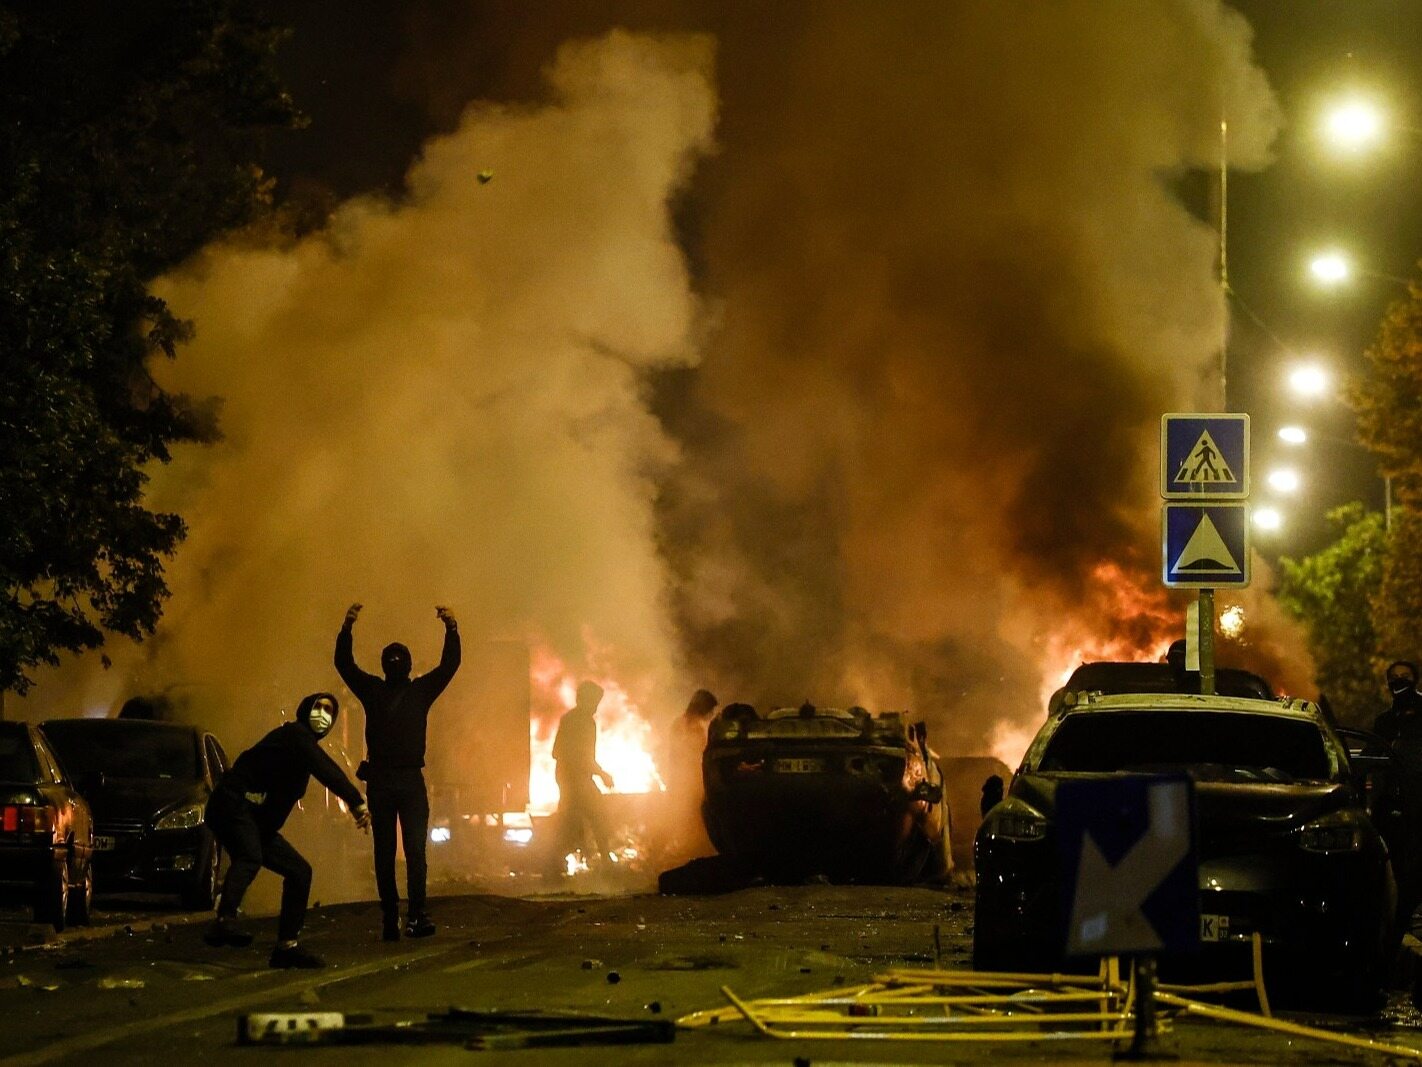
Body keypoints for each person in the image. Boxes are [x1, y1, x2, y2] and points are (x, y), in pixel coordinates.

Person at [203, 692, 369, 969]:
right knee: (250, 856)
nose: (323, 716)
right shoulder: (295, 735)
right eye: (319, 708)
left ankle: (286, 947)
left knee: (299, 871)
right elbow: (326, 769)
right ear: (305, 710)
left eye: (330, 712)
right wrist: (356, 802)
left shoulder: (303, 750)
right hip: (233, 805)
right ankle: (224, 920)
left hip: (255, 821)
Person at [336, 602, 461, 941]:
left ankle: (391, 918)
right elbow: (450, 665)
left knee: (385, 853)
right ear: (407, 667)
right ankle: (415, 916)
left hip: (381, 781)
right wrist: (451, 628)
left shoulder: (372, 691)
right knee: (415, 853)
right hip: (407, 781)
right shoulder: (419, 691)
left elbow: (344, 665)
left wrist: (347, 627)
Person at [552, 680, 614, 869]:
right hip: (575, 779)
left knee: (569, 821)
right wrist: (602, 774)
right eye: (594, 701)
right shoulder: (583, 722)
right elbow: (582, 756)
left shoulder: (570, 719)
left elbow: (556, 752)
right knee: (598, 814)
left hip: (569, 778)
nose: (596, 707)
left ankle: (556, 863)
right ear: (585, 700)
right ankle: (605, 861)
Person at [659, 689, 718, 862]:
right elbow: (695, 754)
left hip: (681, 780)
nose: (711, 715)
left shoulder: (680, 724)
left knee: (683, 817)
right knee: (694, 816)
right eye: (710, 710)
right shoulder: (691, 728)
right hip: (689, 781)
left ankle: (669, 851)